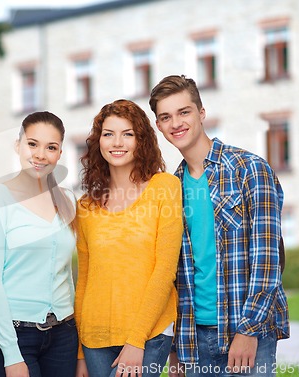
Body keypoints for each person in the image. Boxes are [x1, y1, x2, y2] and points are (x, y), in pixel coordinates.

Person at [148, 75, 290, 377]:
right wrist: (176, 347)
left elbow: (268, 259)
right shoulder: (171, 187)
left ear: (201, 113)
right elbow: (174, 273)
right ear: (159, 126)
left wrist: (248, 331)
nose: (176, 123)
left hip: (248, 332)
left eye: (183, 112)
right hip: (193, 340)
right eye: (166, 117)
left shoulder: (249, 169)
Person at [75, 99, 184, 377]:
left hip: (148, 334)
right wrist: (79, 353)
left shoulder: (165, 187)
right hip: (94, 339)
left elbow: (165, 269)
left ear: (141, 140)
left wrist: (137, 339)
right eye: (108, 134)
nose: (117, 142)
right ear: (98, 141)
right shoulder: (86, 206)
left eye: (127, 134)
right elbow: (85, 278)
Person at [0, 111, 78, 377]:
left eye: (51, 147)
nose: (40, 154)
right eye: (32, 144)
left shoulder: (66, 200)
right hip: (16, 334)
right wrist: (11, 354)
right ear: (18, 145)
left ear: (59, 154)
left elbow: (67, 273)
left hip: (64, 333)